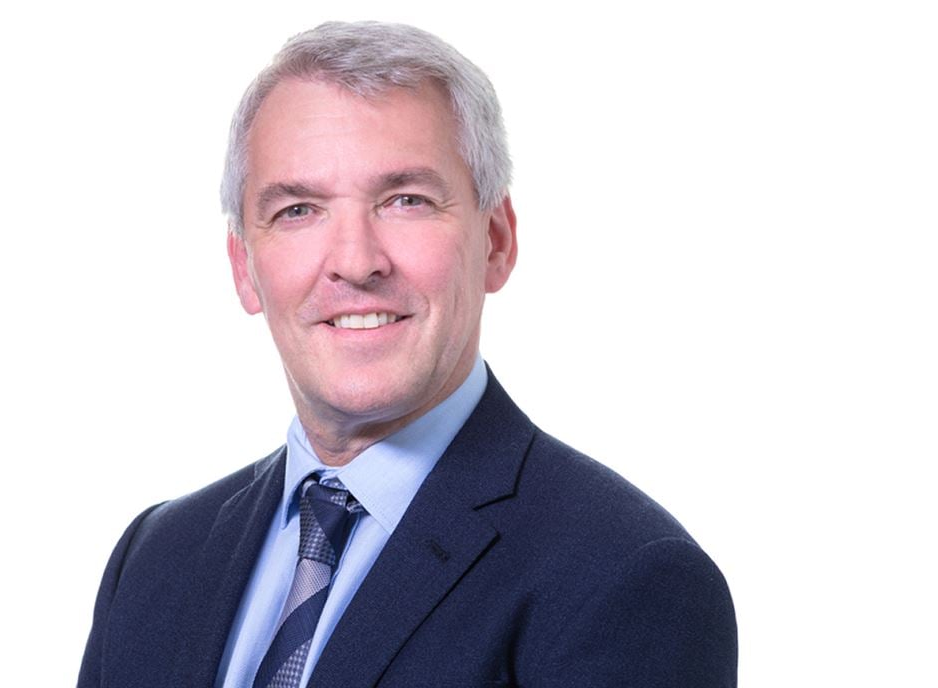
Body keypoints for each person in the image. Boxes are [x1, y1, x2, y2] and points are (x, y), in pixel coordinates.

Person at [78, 20, 737, 688]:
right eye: (298, 210)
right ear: (244, 266)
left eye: (405, 201)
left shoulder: (626, 578)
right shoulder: (155, 559)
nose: (355, 261)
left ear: (497, 241)